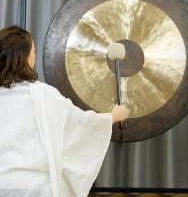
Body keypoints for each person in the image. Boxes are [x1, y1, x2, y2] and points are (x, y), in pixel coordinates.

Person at [0, 26, 130, 197]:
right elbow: (79, 124)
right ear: (23, 56)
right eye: (33, 51)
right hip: (36, 189)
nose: (34, 55)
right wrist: (112, 116)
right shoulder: (42, 94)